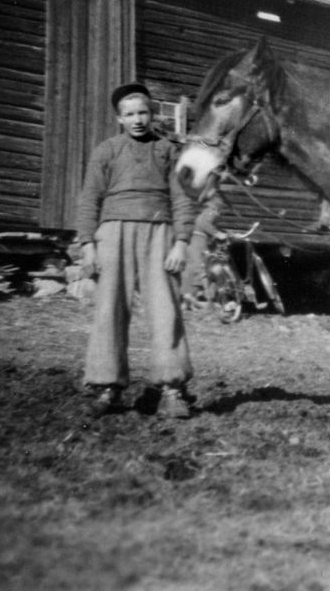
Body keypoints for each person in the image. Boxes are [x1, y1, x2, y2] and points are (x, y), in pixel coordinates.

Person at [75, 82, 197, 418]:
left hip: (160, 233)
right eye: (129, 114)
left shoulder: (168, 151)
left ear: (153, 114)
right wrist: (87, 245)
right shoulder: (107, 150)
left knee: (165, 310)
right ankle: (107, 388)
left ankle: (172, 390)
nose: (137, 119)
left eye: (143, 112)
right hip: (113, 233)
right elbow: (90, 199)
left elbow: (183, 198)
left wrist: (182, 242)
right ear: (119, 118)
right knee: (109, 308)